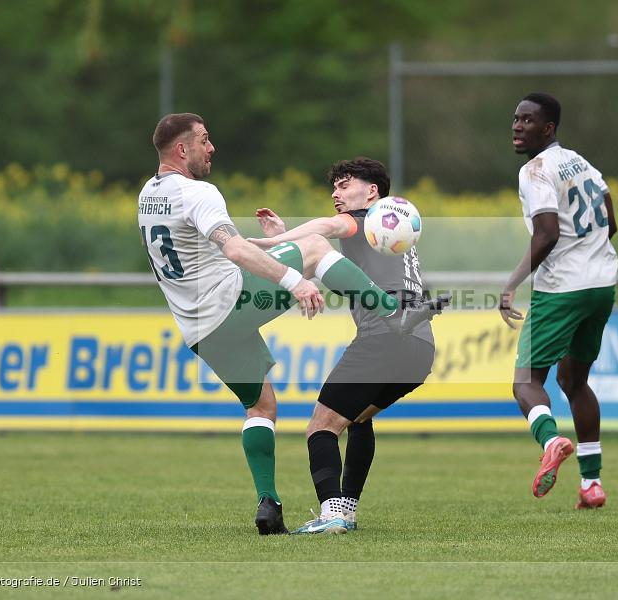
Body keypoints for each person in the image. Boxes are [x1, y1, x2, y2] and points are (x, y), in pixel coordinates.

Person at [139, 115, 426, 534]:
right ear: (182, 150)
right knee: (314, 247)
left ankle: (268, 502)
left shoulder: (147, 195)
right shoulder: (198, 192)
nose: (211, 147)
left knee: (261, 408)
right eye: (204, 140)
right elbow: (235, 250)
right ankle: (392, 311)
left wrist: (281, 243)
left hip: (199, 329)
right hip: (231, 302)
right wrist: (295, 281)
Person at [249, 157, 447, 534]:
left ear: (372, 191)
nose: (335, 194)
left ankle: (332, 515)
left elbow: (323, 230)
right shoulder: (394, 226)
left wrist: (271, 241)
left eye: (344, 184)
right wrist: (287, 235)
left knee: (320, 428)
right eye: (335, 187)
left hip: (382, 339)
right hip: (420, 347)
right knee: (358, 419)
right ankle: (348, 510)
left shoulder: (368, 218)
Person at [499, 93, 618, 509]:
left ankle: (551, 441)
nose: (517, 126)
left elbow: (547, 233)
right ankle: (591, 484)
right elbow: (612, 221)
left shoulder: (534, 171)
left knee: (526, 382)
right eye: (515, 119)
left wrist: (512, 282)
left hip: (562, 288)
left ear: (548, 128)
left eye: (528, 121)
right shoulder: (581, 162)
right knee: (574, 381)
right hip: (601, 285)